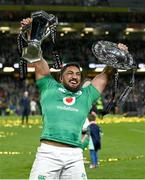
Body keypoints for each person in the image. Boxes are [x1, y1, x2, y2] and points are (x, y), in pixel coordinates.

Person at [21, 18, 129, 180]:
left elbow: (105, 75)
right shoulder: (49, 86)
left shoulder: (86, 95)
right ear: (60, 78)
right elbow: (38, 60)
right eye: (70, 73)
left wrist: (118, 55)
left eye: (78, 74)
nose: (74, 77)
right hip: (48, 154)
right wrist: (32, 34)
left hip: (75, 156)